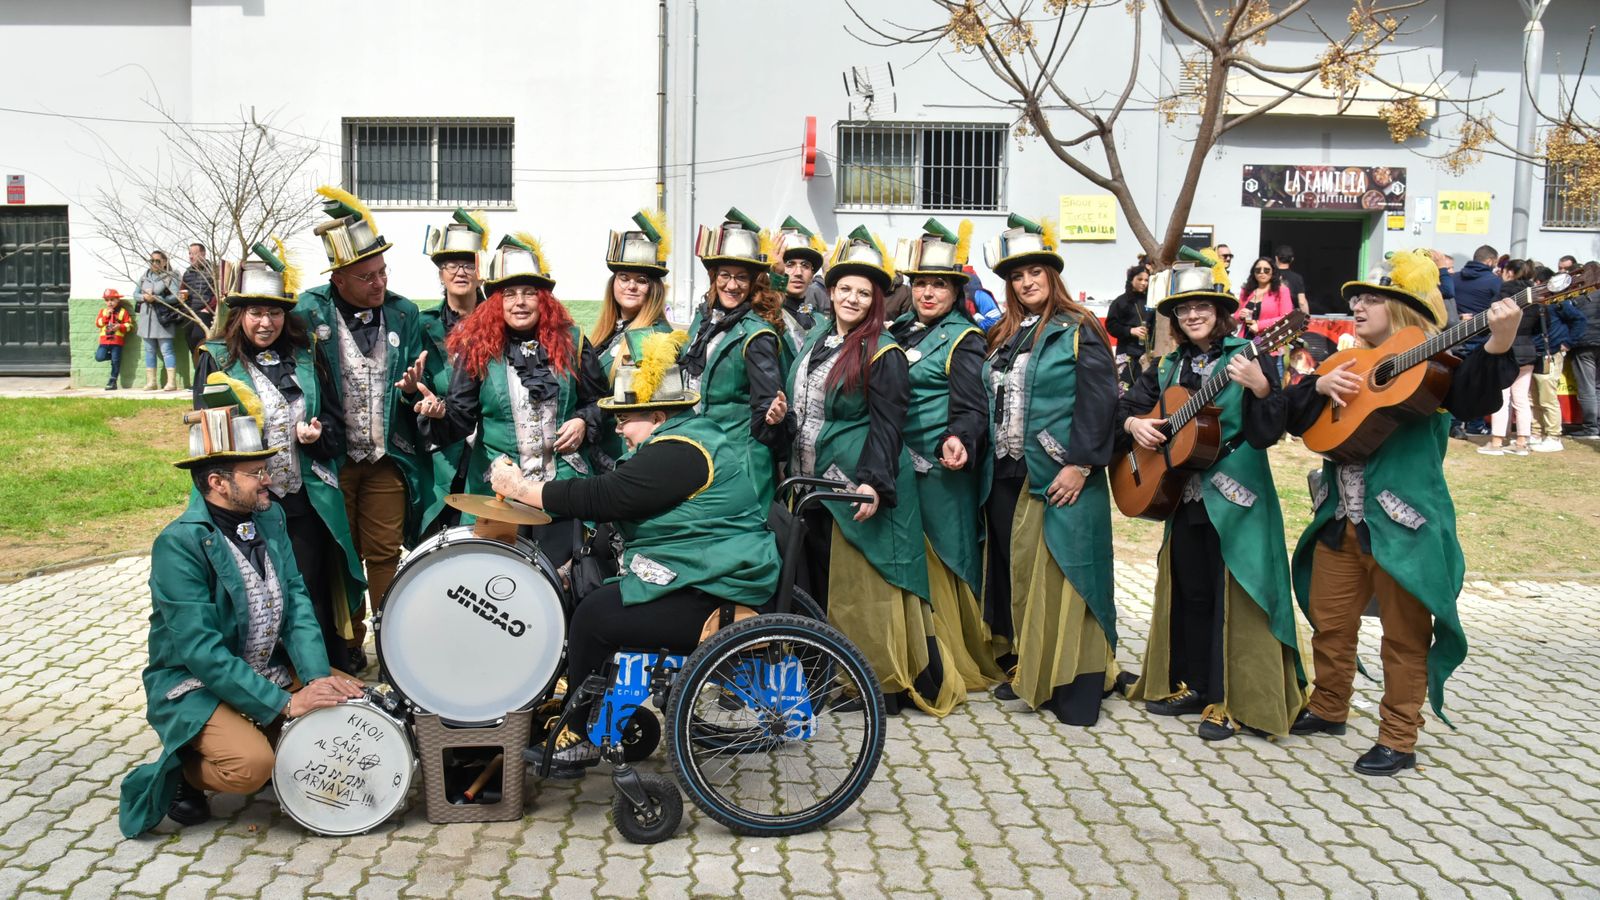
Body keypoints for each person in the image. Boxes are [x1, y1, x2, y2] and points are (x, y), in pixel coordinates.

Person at [490, 332, 782, 773]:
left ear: (660, 414)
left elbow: (609, 495)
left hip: (719, 589)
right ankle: (581, 704)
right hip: (709, 571)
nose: (619, 428)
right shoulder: (685, 438)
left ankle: (586, 734)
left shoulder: (681, 451)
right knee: (595, 594)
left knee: (595, 616)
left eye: (627, 418)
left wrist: (522, 490)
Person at [1285, 252, 1521, 776]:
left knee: (1404, 636)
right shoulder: (1344, 363)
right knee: (1329, 621)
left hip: (1403, 524)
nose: (1358, 305)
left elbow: (1472, 397)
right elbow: (1298, 419)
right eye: (1356, 299)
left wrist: (1500, 343)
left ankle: (1398, 737)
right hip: (1338, 520)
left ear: (1402, 311)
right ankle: (1328, 707)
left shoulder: (1435, 366)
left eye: (1371, 298)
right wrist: (1317, 385)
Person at [118, 407, 365, 837]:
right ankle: (180, 774)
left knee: (353, 710)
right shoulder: (178, 544)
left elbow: (298, 604)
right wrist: (287, 704)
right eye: (256, 472)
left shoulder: (270, 517)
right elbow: (202, 652)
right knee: (254, 768)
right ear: (218, 483)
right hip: (195, 683)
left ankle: (259, 728)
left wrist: (314, 680)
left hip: (265, 669)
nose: (268, 478)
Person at [1117, 269, 1305, 741]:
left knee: (1233, 598)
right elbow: (1125, 408)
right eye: (1184, 308)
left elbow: (1267, 432)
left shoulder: (1247, 354)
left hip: (1237, 494)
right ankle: (1195, 684)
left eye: (1203, 306)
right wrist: (1133, 426)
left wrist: (1262, 388)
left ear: (1222, 313)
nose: (1193, 314)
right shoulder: (1167, 366)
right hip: (1184, 494)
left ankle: (1232, 699)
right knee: (1193, 592)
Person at [788, 226, 963, 717]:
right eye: (845, 288)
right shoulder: (819, 339)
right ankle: (836, 675)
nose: (853, 297)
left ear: (876, 301)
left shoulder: (883, 352)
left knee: (868, 590)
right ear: (832, 290)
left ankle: (881, 684)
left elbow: (889, 427)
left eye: (864, 292)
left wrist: (873, 485)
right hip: (814, 483)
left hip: (858, 484)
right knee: (826, 587)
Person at [193, 241, 367, 670]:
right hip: (245, 502)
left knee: (305, 586)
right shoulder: (216, 360)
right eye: (256, 312)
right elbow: (209, 442)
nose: (266, 322)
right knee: (255, 586)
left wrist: (315, 436)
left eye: (274, 312)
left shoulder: (305, 356)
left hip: (303, 499)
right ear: (240, 315)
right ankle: (256, 669)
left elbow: (334, 425)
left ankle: (315, 669)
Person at [980, 213, 1122, 726]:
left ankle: (1076, 683)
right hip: (1006, 474)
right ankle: (1032, 668)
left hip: (1062, 473)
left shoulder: (1079, 327)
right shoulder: (1003, 333)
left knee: (1067, 574)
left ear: (1052, 275)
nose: (1026, 282)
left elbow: (1101, 400)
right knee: (1023, 576)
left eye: (1035, 272)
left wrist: (1081, 465)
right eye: (1017, 276)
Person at [293, 186, 439, 671]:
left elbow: (418, 384)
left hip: (385, 457)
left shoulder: (404, 312)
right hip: (332, 457)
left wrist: (413, 390)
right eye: (366, 277)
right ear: (338, 276)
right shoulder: (308, 311)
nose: (378, 284)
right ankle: (348, 643)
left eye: (382, 273)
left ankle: (392, 642)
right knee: (341, 553)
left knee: (382, 552)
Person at [417, 233, 606, 568]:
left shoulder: (573, 342)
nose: (520, 302)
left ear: (543, 299)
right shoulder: (477, 348)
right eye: (510, 294)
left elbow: (600, 402)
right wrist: (437, 414)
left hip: (563, 487)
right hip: (497, 492)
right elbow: (461, 417)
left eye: (529, 293)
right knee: (496, 583)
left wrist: (583, 420)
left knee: (564, 581)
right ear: (496, 303)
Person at [889, 218, 1007, 692]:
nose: (928, 293)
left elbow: (972, 404)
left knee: (947, 562)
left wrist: (960, 436)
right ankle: (911, 654)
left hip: (942, 471)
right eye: (921, 284)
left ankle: (949, 662)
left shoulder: (965, 337)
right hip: (897, 467)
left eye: (939, 285)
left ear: (956, 290)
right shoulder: (898, 330)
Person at [680, 209, 790, 507]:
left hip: (740, 462)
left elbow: (767, 406)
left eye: (742, 277)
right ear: (714, 278)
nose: (732, 285)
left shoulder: (757, 334)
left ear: (753, 282)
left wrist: (773, 416)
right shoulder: (704, 319)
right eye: (725, 275)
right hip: (699, 451)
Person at [418, 208, 489, 532]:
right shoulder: (422, 325)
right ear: (440, 272)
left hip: (489, 453)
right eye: (451, 264)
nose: (460, 272)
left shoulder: (499, 322)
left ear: (480, 270)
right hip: (438, 456)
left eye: (468, 263)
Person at [591, 210, 675, 470]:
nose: (631, 286)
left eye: (641, 280)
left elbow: (655, 419)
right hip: (597, 451)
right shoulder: (607, 332)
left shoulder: (656, 337)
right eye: (623, 277)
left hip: (623, 457)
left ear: (654, 289)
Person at [1479, 259, 1537, 456]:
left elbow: (1490, 321)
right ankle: (1522, 441)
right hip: (1528, 349)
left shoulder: (1503, 294)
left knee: (1501, 397)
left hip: (1506, 349)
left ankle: (1496, 441)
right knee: (1521, 399)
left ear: (1509, 272)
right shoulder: (1535, 295)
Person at [1528, 265, 1587, 453]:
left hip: (1551, 353)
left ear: (1539, 282)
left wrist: (1567, 343)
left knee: (1547, 396)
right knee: (1533, 397)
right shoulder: (1536, 302)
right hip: (1535, 353)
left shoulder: (1558, 302)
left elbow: (1580, 320)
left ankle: (1553, 435)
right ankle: (1536, 433)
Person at [773, 216, 828, 352]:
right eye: (789, 264)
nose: (798, 272)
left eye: (805, 265)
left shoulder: (821, 322)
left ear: (812, 274)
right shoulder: (768, 314)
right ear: (778, 267)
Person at [136, 249, 184, 391]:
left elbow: (176, 296)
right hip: (146, 319)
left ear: (164, 262)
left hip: (162, 319)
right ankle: (151, 382)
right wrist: (143, 297)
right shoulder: (144, 276)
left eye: (158, 261)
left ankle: (171, 382)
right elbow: (135, 293)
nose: (155, 263)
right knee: (149, 350)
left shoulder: (169, 276)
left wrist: (160, 299)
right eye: (152, 260)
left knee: (166, 350)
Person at [1105, 265, 1152, 388]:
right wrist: (1130, 330)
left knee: (1143, 389)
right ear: (1131, 279)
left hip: (1146, 354)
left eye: (1146, 280)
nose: (1143, 283)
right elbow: (1111, 325)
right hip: (1126, 353)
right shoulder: (1121, 302)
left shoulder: (1151, 301)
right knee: (1123, 389)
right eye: (1140, 279)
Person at [1568, 271, 1600, 439]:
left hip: (1584, 345)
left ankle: (1590, 427)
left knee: (1587, 387)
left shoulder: (1579, 298)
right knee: (1597, 386)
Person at [181, 242, 219, 362]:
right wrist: (181, 297)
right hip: (190, 313)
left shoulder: (213, 271)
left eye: (194, 254)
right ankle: (199, 370)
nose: (191, 257)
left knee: (200, 339)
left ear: (203, 254)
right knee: (191, 341)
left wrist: (208, 309)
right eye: (189, 254)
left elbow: (220, 293)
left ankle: (207, 370)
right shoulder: (187, 273)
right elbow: (182, 290)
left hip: (205, 313)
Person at [96, 288, 134, 390]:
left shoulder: (123, 312)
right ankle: (113, 358)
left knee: (115, 362)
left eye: (112, 300)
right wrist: (105, 317)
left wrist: (120, 326)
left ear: (118, 300)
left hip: (117, 341)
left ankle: (113, 381)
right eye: (107, 300)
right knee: (99, 357)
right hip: (104, 341)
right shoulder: (103, 312)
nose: (110, 302)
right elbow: (98, 324)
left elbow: (129, 326)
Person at [1274, 245, 1309, 315]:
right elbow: (1302, 302)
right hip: (1289, 317)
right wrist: (1307, 318)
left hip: (1272, 316)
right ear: (1292, 259)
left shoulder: (1269, 276)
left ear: (1276, 258)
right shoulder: (1297, 278)